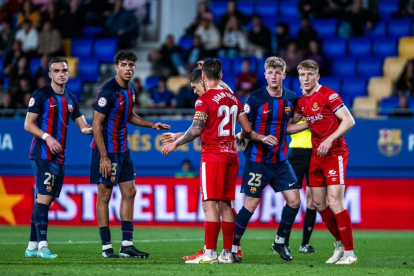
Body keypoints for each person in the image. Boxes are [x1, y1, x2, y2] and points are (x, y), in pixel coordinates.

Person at [162, 59, 252, 264]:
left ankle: (210, 252)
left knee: (209, 203)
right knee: (226, 204)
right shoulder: (233, 98)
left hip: (213, 157)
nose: (194, 91)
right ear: (220, 76)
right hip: (231, 156)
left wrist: (176, 144)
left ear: (203, 77)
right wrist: (241, 139)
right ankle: (228, 253)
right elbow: (247, 128)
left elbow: (196, 129)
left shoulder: (204, 100)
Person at [90, 50, 170, 258]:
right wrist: (104, 156)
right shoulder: (108, 91)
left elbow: (130, 115)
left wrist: (152, 124)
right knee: (105, 196)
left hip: (124, 150)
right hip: (107, 151)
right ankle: (106, 247)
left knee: (130, 193)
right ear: (116, 67)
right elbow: (96, 124)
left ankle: (126, 245)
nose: (128, 69)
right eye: (124, 65)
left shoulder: (131, 88)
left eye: (131, 65)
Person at [231, 57, 308, 263]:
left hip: (280, 161)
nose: (274, 76)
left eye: (277, 72)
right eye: (270, 72)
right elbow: (246, 131)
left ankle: (280, 241)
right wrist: (262, 138)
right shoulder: (255, 99)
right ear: (265, 75)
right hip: (257, 160)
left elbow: (288, 127)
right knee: (250, 205)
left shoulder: (291, 98)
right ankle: (233, 246)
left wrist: (309, 124)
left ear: (284, 75)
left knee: (295, 200)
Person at [24, 56, 92, 258]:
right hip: (42, 154)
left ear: (69, 73)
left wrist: (99, 127)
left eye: (64, 70)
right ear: (50, 74)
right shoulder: (41, 95)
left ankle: (31, 246)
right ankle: (43, 247)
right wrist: (48, 138)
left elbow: (84, 127)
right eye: (57, 70)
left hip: (59, 157)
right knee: (43, 199)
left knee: (45, 201)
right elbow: (28, 124)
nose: (62, 73)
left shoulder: (71, 99)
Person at [293, 59, 357, 264]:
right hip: (316, 156)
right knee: (316, 202)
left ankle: (350, 253)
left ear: (317, 77)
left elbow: (349, 121)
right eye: (302, 75)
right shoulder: (301, 102)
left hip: (335, 153)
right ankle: (339, 244)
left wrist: (330, 139)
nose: (306, 78)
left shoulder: (328, 94)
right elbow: (289, 124)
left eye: (310, 74)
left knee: (335, 200)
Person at [286, 118, 317, 253]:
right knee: (292, 201)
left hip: (315, 154)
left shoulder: (318, 107)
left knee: (312, 202)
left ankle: (305, 244)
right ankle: (283, 242)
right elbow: (287, 126)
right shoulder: (296, 107)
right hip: (296, 155)